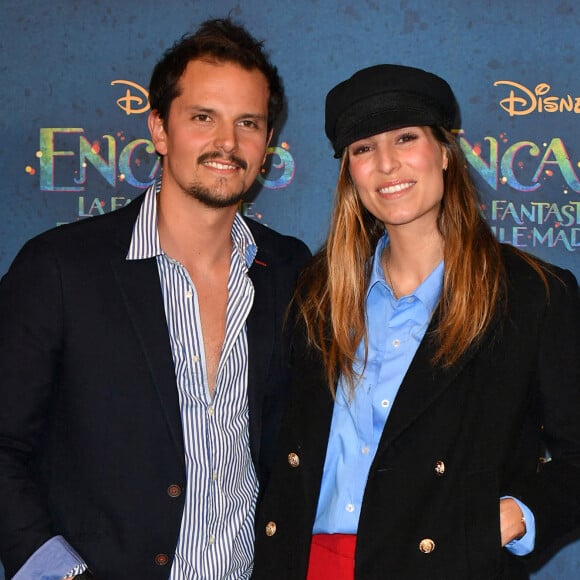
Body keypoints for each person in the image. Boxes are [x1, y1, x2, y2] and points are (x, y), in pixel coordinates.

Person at [0, 17, 310, 579]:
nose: (227, 143)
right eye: (202, 118)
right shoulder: (60, 269)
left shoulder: (290, 270)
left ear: (267, 146)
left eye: (248, 123)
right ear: (160, 130)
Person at [252, 64, 580, 579]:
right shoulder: (315, 291)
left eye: (406, 137)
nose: (386, 164)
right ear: (348, 173)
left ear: (445, 152)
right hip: (304, 564)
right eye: (362, 148)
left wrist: (515, 516)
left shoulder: (531, 295)